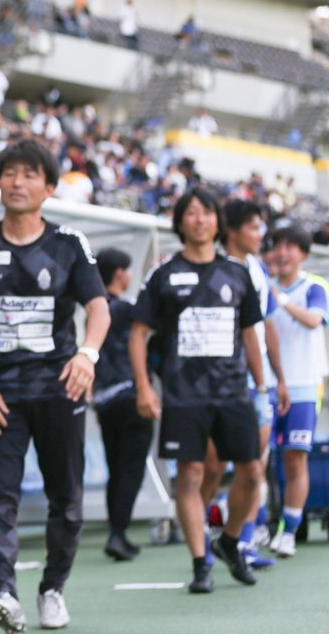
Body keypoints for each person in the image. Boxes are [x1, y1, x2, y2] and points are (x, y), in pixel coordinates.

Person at [0, 138, 110, 632]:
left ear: (49, 187)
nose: (17, 182)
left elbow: (98, 309)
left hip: (60, 390)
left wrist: (87, 355)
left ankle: (52, 590)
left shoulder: (69, 245)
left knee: (67, 500)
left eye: (30, 174)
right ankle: (4, 592)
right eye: (10, 173)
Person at [130, 187, 269, 594]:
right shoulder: (163, 274)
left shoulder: (237, 273)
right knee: (190, 475)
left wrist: (262, 385)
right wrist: (144, 387)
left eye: (206, 213)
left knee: (251, 472)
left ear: (217, 222)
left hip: (233, 392)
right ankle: (200, 562)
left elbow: (250, 334)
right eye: (191, 213)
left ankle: (229, 541)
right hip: (183, 394)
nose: (200, 220)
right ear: (180, 222)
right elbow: (138, 334)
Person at [200, 199, 289, 569]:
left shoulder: (258, 270)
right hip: (216, 382)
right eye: (254, 227)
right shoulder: (211, 267)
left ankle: (241, 542)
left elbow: (266, 326)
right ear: (233, 230)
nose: (260, 235)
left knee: (254, 466)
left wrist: (278, 379)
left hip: (256, 382)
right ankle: (200, 539)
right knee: (213, 467)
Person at [266, 226, 328, 558]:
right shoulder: (262, 285)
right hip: (266, 386)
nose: (283, 253)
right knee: (258, 460)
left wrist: (281, 299)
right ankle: (255, 527)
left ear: (303, 253)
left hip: (303, 385)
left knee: (295, 458)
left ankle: (289, 531)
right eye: (278, 246)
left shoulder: (314, 287)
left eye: (291, 247)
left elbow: (314, 321)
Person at [92, 248, 152, 562]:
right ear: (119, 273)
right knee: (131, 469)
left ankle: (117, 531)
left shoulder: (95, 310)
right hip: (132, 397)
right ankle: (118, 532)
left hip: (105, 400)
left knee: (115, 468)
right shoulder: (128, 309)